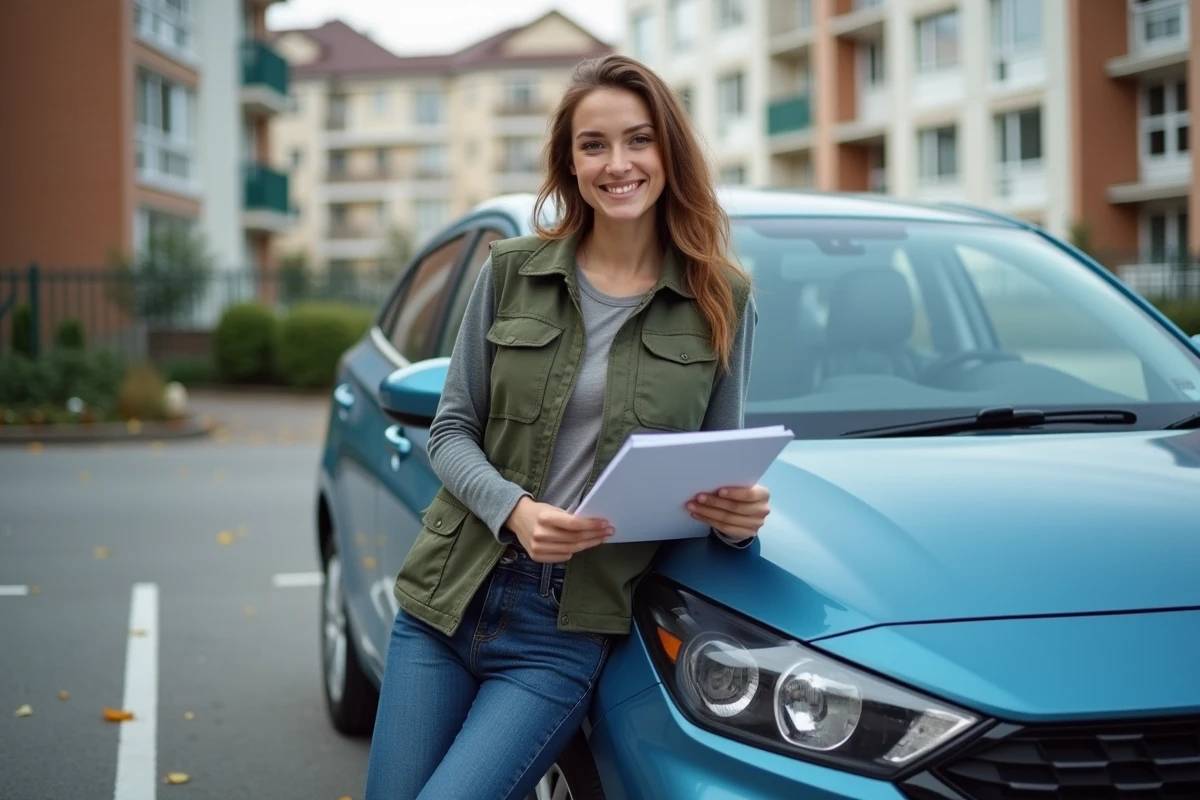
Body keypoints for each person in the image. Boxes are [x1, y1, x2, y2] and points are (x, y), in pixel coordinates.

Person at [363, 53, 771, 800]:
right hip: (445, 600)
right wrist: (514, 510)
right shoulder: (511, 271)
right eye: (594, 145)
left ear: (668, 152)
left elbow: (716, 473)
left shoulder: (723, 300)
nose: (619, 163)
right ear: (570, 162)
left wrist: (738, 521)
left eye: (639, 140)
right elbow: (450, 431)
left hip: (562, 632)